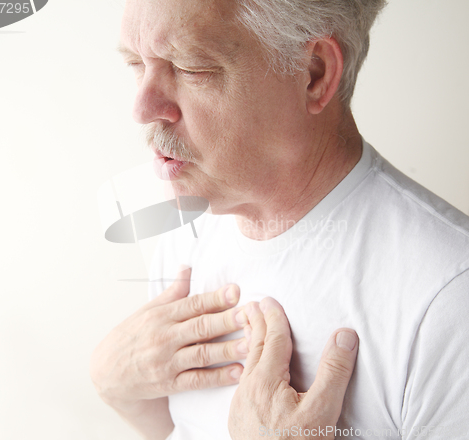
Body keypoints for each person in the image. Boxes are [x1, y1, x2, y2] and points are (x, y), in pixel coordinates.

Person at [90, 0, 469, 439]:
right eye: (137, 63)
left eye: (191, 67)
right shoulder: (184, 233)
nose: (142, 107)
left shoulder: (447, 301)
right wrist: (127, 397)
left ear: (313, 74)